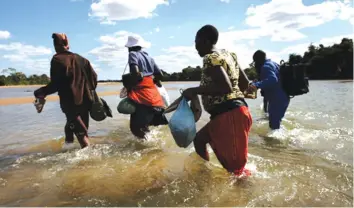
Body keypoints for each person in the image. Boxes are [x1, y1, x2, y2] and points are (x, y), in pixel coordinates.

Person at [182, 25, 252, 176]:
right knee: (199, 140)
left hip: (230, 115)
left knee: (236, 172)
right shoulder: (230, 55)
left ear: (206, 41)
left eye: (197, 42)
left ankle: (244, 196)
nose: (196, 47)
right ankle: (204, 175)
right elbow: (245, 83)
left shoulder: (210, 58)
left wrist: (194, 90)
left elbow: (225, 87)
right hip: (234, 112)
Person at [34, 33, 98, 149]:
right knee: (74, 126)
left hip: (70, 103)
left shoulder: (57, 59)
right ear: (67, 44)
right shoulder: (83, 60)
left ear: (55, 46)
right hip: (86, 101)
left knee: (82, 136)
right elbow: (94, 80)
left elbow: (55, 84)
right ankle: (68, 147)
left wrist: (41, 92)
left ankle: (89, 162)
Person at [124, 35, 168, 139]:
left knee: (136, 128)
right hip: (153, 95)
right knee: (146, 126)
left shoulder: (132, 54)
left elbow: (135, 72)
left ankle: (146, 148)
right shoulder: (149, 57)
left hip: (141, 95)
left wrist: (130, 86)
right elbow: (160, 75)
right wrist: (153, 81)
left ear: (130, 47)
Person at [248, 50, 290, 130]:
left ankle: (275, 142)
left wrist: (256, 85)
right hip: (284, 97)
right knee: (276, 125)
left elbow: (273, 79)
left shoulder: (265, 66)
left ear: (258, 60)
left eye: (255, 61)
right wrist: (258, 81)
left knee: (274, 127)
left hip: (277, 99)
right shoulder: (273, 64)